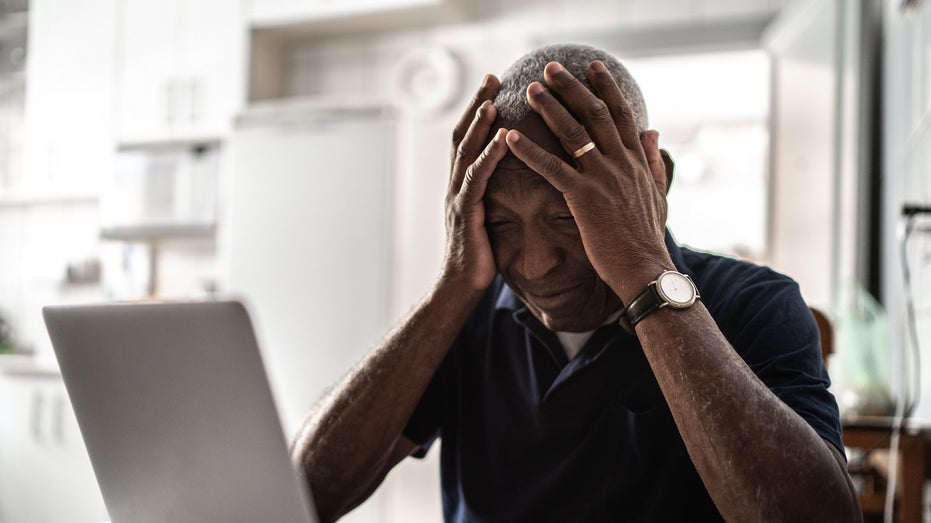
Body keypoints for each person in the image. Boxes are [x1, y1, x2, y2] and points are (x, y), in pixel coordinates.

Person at [290, 43, 861, 522]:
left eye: (568, 216)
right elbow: (307, 494)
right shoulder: (468, 316)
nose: (535, 265)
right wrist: (451, 290)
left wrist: (644, 275)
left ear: (652, 184)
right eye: (501, 222)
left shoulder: (754, 304)